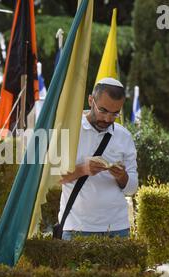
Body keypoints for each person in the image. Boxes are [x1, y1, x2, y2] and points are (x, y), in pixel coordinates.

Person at [58, 77, 138, 240]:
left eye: (115, 113)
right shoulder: (69, 131)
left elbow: (132, 189)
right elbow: (52, 180)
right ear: (90, 100)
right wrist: (82, 169)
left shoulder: (124, 136)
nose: (108, 119)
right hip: (75, 227)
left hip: (118, 228)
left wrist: (122, 177)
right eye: (103, 110)